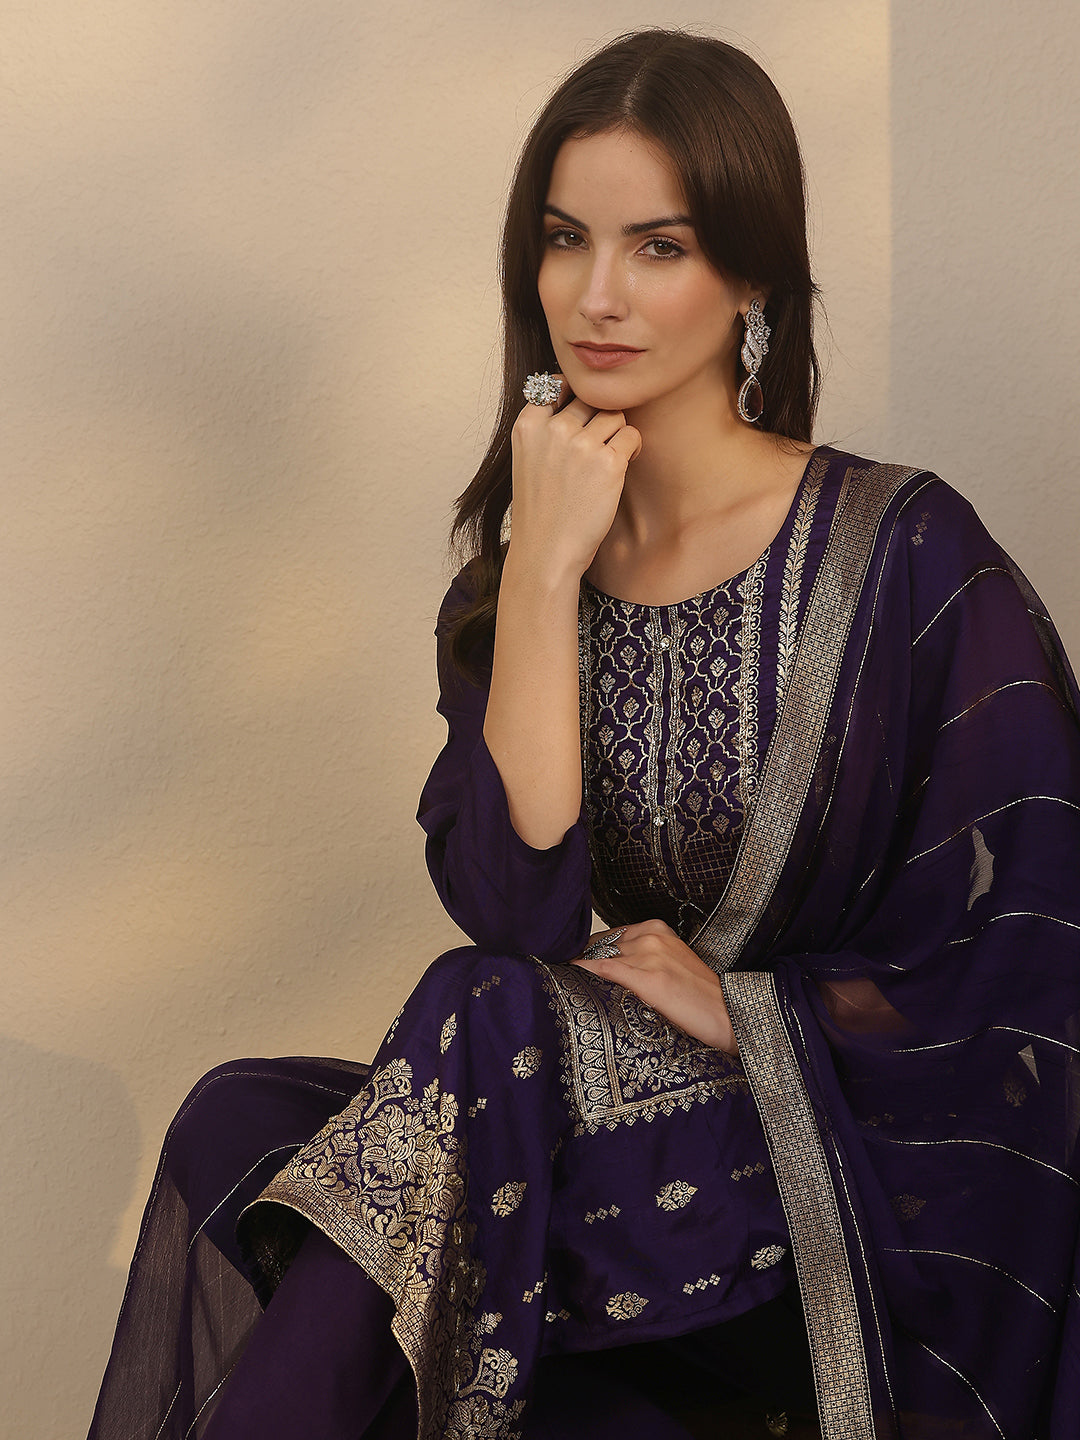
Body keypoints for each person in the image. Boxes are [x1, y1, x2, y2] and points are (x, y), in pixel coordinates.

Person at [87, 28, 1080, 1440]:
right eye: (565, 241)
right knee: (240, 1123)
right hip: (621, 1132)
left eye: (657, 247)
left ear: (751, 276)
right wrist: (545, 569)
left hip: (850, 1164)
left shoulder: (908, 553)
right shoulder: (518, 579)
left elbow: (1034, 949)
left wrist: (751, 1012)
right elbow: (520, 913)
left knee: (474, 1019)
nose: (596, 295)